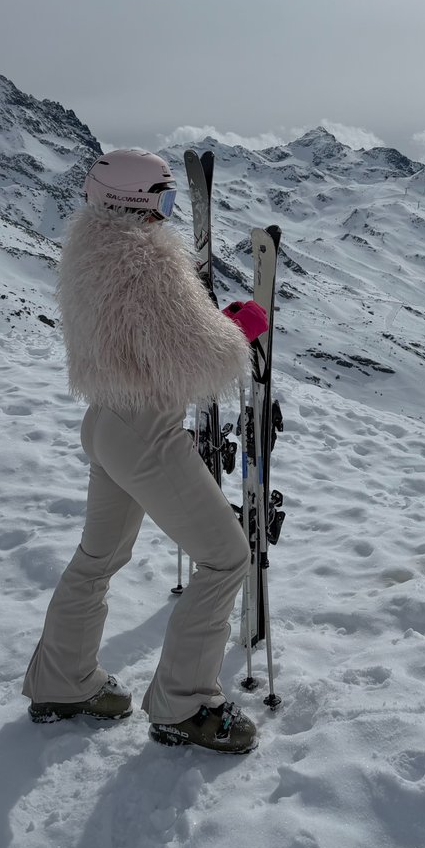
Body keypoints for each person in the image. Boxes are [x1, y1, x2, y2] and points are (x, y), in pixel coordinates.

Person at [22, 149, 268, 754]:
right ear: (136, 201)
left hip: (106, 420)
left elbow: (145, 334)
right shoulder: (149, 263)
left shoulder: (89, 247)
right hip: (145, 431)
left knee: (98, 557)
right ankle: (186, 705)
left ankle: (62, 682)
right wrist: (241, 328)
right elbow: (201, 359)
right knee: (226, 557)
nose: (168, 211)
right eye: (163, 198)